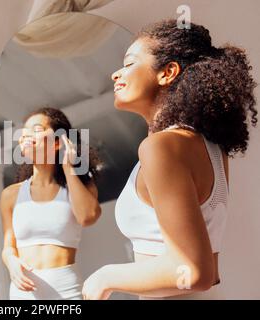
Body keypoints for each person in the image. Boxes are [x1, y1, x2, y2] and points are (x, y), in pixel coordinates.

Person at [82, 19, 257, 300]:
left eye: (129, 63)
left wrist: (105, 277)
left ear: (167, 72)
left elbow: (194, 271)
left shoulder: (160, 148)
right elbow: (212, 272)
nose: (116, 74)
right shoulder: (212, 148)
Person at [0, 107, 101, 300]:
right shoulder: (10, 195)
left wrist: (68, 167)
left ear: (58, 142)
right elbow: (8, 247)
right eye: (24, 132)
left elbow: (88, 217)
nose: (26, 136)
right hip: (22, 294)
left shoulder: (79, 185)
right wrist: (11, 261)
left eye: (36, 130)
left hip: (67, 292)